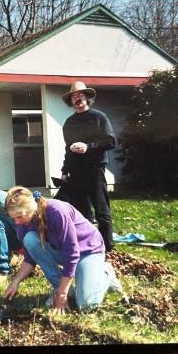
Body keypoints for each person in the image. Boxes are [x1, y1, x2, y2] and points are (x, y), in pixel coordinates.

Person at [3, 186, 123, 313]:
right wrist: (15, 281)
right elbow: (29, 259)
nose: (16, 222)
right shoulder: (23, 225)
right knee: (30, 240)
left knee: (87, 304)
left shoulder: (56, 211)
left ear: (31, 208)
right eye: (13, 218)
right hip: (62, 251)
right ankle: (65, 288)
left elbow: (72, 253)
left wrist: (62, 294)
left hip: (88, 250)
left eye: (19, 216)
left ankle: (105, 274)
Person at [60, 80, 117, 251]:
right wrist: (64, 171)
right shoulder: (68, 123)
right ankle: (90, 246)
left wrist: (88, 147)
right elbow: (68, 150)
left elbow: (111, 141)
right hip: (76, 172)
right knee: (83, 213)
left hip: (95, 169)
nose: (78, 98)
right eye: (74, 96)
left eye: (81, 95)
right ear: (71, 101)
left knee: (102, 211)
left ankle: (109, 247)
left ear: (87, 97)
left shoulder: (99, 117)